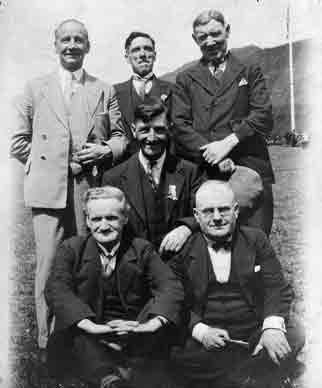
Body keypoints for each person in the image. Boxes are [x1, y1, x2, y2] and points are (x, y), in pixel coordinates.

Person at [10, 19, 128, 351]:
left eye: (79, 40)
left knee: (90, 263)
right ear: (56, 45)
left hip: (88, 192)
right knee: (49, 266)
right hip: (48, 193)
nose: (72, 45)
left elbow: (120, 138)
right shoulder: (35, 88)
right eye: (66, 39)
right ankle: (49, 343)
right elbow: (17, 142)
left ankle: (89, 337)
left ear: (88, 46)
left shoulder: (103, 89)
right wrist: (60, 163)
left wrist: (106, 149)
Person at [45, 186, 184, 388]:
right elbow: (57, 288)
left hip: (132, 330)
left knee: (161, 335)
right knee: (72, 332)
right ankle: (109, 379)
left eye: (111, 218)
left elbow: (170, 285)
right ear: (87, 221)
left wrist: (148, 326)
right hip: (89, 330)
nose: (103, 226)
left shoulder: (141, 248)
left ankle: (123, 373)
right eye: (96, 219)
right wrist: (92, 327)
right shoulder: (72, 248)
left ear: (125, 218)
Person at [170, 180, 305, 388]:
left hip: (253, 327)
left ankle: (237, 375)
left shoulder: (255, 239)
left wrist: (270, 329)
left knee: (294, 332)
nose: (216, 218)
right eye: (208, 212)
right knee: (175, 350)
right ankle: (256, 373)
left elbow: (276, 287)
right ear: (196, 216)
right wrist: (201, 331)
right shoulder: (183, 249)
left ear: (235, 211)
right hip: (207, 333)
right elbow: (175, 300)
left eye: (223, 210)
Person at [172, 9, 275, 235]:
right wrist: (212, 155)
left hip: (249, 170)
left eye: (215, 33)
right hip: (206, 173)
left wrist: (228, 143)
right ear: (194, 39)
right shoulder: (185, 79)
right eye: (202, 37)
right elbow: (180, 125)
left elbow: (262, 114)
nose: (210, 41)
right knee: (212, 244)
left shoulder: (249, 69)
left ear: (227, 31)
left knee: (253, 242)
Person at [102, 97, 203, 256]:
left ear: (169, 128)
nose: (151, 138)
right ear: (134, 130)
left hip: (179, 264)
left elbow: (203, 212)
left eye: (159, 129)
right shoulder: (113, 178)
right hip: (135, 266)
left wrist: (186, 228)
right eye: (144, 130)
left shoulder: (190, 172)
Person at [114, 31, 173, 156]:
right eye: (136, 50)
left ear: (154, 55)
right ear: (127, 57)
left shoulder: (173, 90)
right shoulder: (114, 92)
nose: (142, 54)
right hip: (126, 167)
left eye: (147, 49)